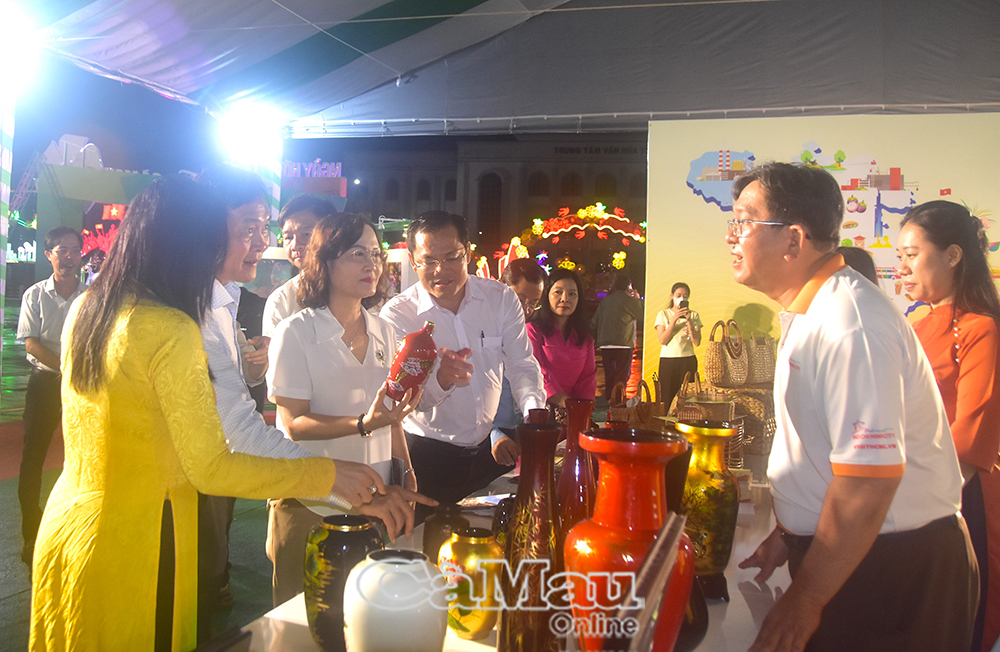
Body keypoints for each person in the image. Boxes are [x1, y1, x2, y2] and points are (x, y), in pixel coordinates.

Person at [28, 176, 384, 652]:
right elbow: (212, 464)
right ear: (196, 240)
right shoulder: (172, 327)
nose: (256, 242)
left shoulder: (90, 307)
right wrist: (332, 477)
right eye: (240, 230)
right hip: (143, 543)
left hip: (72, 526)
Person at [729, 163, 977, 652]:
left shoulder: (851, 325)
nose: (731, 237)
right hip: (857, 554)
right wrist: (789, 530)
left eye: (744, 222)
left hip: (893, 571)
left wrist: (805, 599)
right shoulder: (812, 311)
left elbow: (867, 482)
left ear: (793, 240)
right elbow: (825, 451)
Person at [267, 212, 434, 605]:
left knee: (365, 612)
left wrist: (406, 472)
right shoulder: (297, 332)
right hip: (310, 500)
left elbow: (390, 417)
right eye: (357, 253)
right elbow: (293, 423)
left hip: (373, 500)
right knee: (301, 618)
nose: (371, 264)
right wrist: (362, 423)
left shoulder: (385, 331)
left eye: (375, 254)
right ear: (325, 261)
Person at [379, 211, 545, 519]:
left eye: (452, 258)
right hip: (425, 456)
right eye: (429, 261)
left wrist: (535, 413)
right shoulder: (398, 316)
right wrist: (440, 380)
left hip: (487, 454)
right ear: (413, 262)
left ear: (467, 253)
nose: (440, 270)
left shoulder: (500, 299)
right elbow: (402, 398)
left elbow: (522, 363)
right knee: (423, 538)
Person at [898, 200, 1000, 652]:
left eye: (912, 254)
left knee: (955, 623)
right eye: (900, 256)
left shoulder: (980, 329)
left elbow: (970, 438)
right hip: (908, 494)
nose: (902, 267)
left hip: (957, 496)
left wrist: (914, 505)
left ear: (953, 255)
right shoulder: (916, 323)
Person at [16, 227, 84, 566]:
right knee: (33, 458)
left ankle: (75, 530)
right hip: (45, 384)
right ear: (49, 255)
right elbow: (32, 344)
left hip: (81, 387)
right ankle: (32, 533)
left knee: (82, 457)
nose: (69, 256)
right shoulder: (34, 295)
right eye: (62, 250)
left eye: (74, 250)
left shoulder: (91, 296)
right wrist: (68, 369)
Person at [489, 258, 547, 461]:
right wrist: (492, 434)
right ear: (501, 287)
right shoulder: (481, 324)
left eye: (534, 303)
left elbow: (525, 371)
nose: (525, 309)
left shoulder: (521, 331)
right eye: (520, 300)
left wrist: (533, 416)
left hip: (511, 430)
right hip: (482, 435)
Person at [263, 194, 338, 338]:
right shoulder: (281, 300)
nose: (296, 245)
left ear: (334, 235)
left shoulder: (358, 288)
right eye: (288, 237)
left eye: (306, 234)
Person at [526, 268, 596, 406]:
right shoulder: (532, 330)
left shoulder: (584, 338)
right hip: (539, 408)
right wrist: (567, 403)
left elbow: (588, 379)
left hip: (573, 410)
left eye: (572, 294)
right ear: (546, 295)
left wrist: (584, 408)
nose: (565, 299)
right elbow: (536, 370)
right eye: (558, 292)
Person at [591, 273, 643, 401]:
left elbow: (594, 322)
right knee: (622, 375)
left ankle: (609, 399)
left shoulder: (606, 301)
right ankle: (618, 401)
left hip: (605, 343)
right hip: (623, 343)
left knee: (609, 374)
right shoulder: (629, 301)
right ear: (628, 287)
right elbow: (642, 314)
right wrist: (636, 299)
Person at [654, 282, 703, 408]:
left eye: (685, 296)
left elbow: (697, 342)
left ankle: (686, 419)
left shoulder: (694, 315)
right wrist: (674, 319)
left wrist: (689, 321)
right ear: (672, 296)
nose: (682, 298)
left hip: (688, 359)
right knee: (667, 396)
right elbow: (663, 340)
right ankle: (667, 419)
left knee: (687, 396)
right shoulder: (663, 314)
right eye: (678, 295)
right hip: (668, 360)